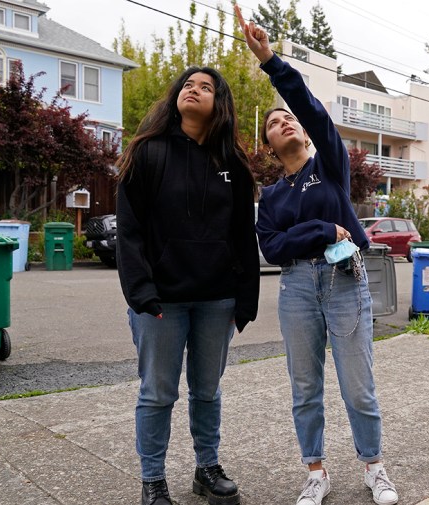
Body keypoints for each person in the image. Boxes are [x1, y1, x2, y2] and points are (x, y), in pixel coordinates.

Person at [235, 6, 399, 505]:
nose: (282, 121)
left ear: (304, 133)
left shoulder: (329, 165)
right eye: (272, 122)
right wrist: (320, 228)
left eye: (288, 118)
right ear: (268, 142)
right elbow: (271, 246)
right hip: (298, 289)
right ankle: (316, 471)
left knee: (358, 384)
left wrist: (270, 61)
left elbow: (309, 106)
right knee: (305, 387)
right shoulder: (271, 195)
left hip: (345, 281)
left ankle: (374, 466)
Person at [116, 65, 260, 505]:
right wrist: (141, 292)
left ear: (220, 103)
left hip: (217, 299)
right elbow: (130, 231)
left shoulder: (231, 163)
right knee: (158, 393)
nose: (195, 90)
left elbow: (241, 235)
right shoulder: (148, 152)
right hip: (162, 301)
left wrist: (245, 300)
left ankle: (206, 468)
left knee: (207, 391)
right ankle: (152, 480)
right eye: (189, 85)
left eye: (206, 87)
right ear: (177, 95)